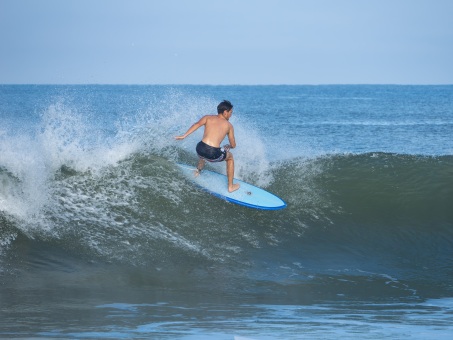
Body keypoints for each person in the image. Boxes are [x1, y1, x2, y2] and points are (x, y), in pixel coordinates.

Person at [175, 100, 240, 193]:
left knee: (204, 151)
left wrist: (183, 136)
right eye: (230, 112)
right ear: (225, 112)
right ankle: (231, 186)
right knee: (230, 158)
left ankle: (197, 171)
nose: (231, 115)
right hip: (212, 153)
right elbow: (233, 145)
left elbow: (196, 124)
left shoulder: (208, 117)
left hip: (199, 149)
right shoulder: (229, 125)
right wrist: (229, 145)